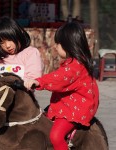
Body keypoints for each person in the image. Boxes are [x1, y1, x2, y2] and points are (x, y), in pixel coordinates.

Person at [24, 21, 99, 150]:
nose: (55, 46)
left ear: (68, 45)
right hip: (67, 104)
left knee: (56, 136)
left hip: (75, 109)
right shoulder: (72, 63)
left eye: (58, 43)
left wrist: (39, 81)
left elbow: (59, 79)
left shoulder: (76, 66)